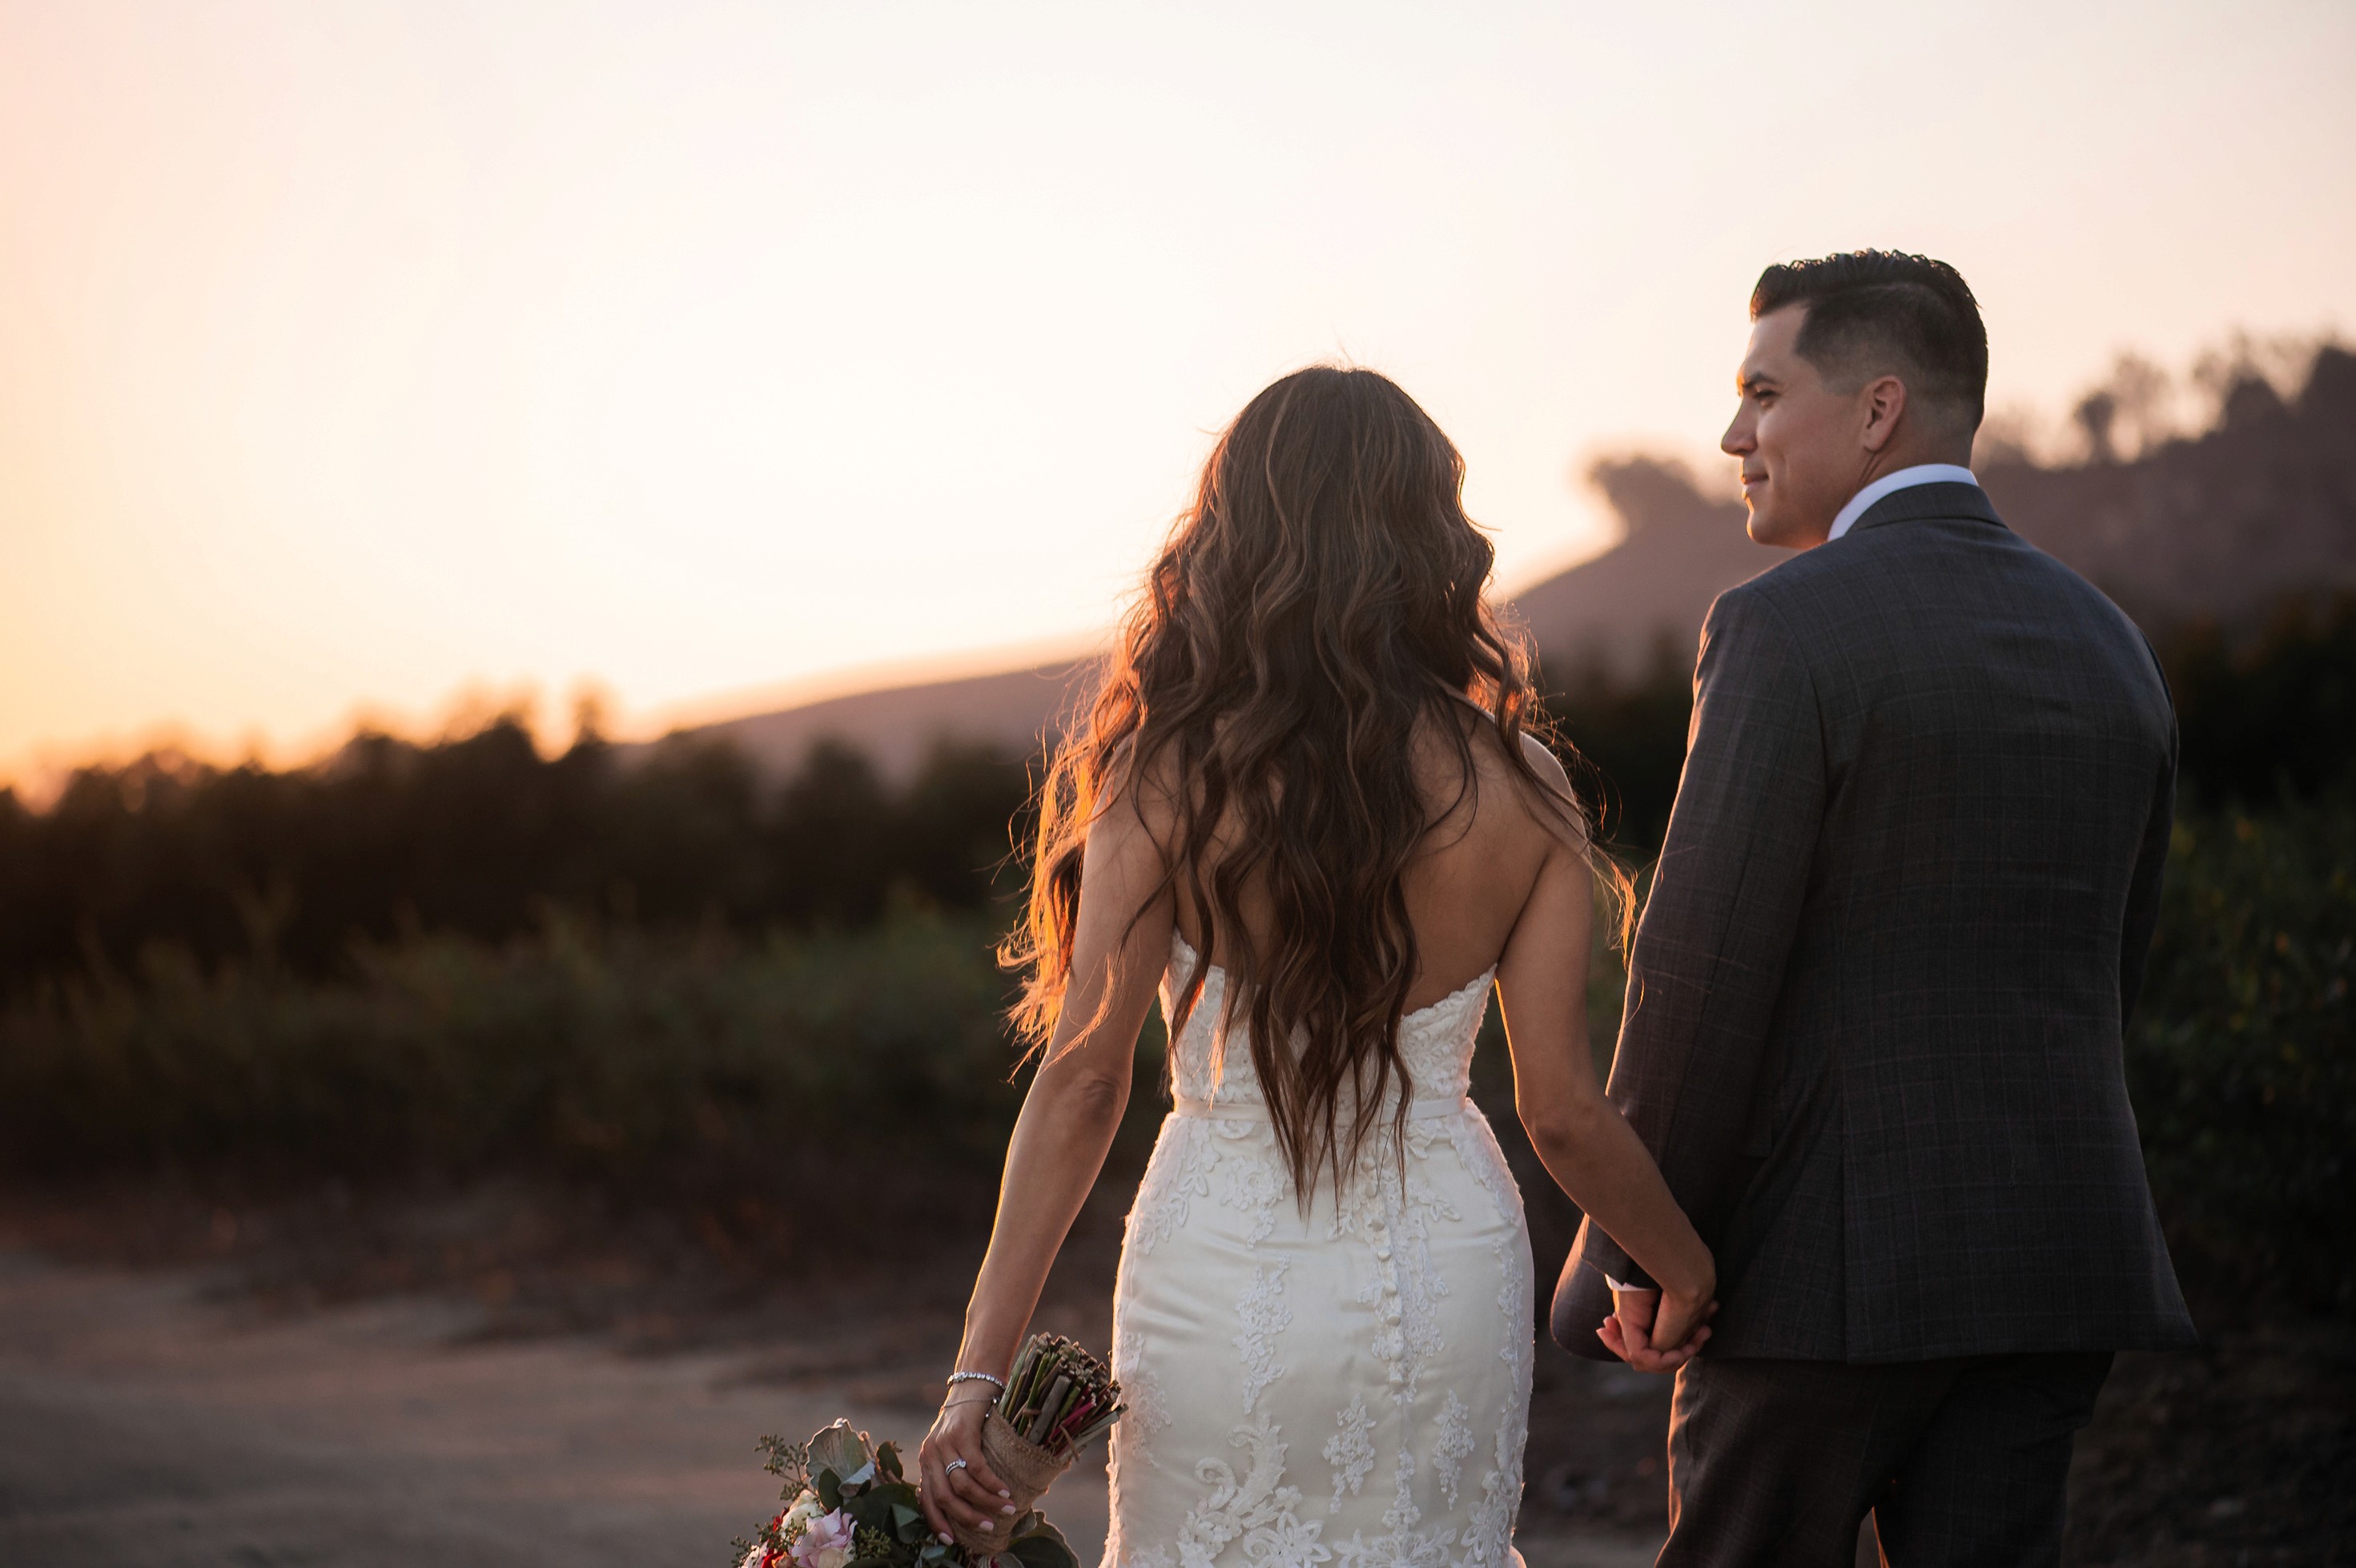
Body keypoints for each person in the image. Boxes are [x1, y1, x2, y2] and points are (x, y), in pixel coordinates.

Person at [916, 366, 1718, 1565]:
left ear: (1233, 534)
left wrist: (976, 1376)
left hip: (1217, 1265)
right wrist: (1683, 1264)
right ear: (1431, 537)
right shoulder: (1526, 784)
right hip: (1442, 1268)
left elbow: (1082, 1083)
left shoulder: (1165, 771)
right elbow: (1560, 1113)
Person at [1554, 251, 2198, 1565]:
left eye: (1761, 394)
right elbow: (2106, 979)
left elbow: (1698, 982)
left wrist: (1640, 1254)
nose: (1732, 436)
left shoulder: (1781, 627)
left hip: (1817, 1280)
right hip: (2050, 1263)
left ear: (1876, 409)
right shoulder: (2112, 644)